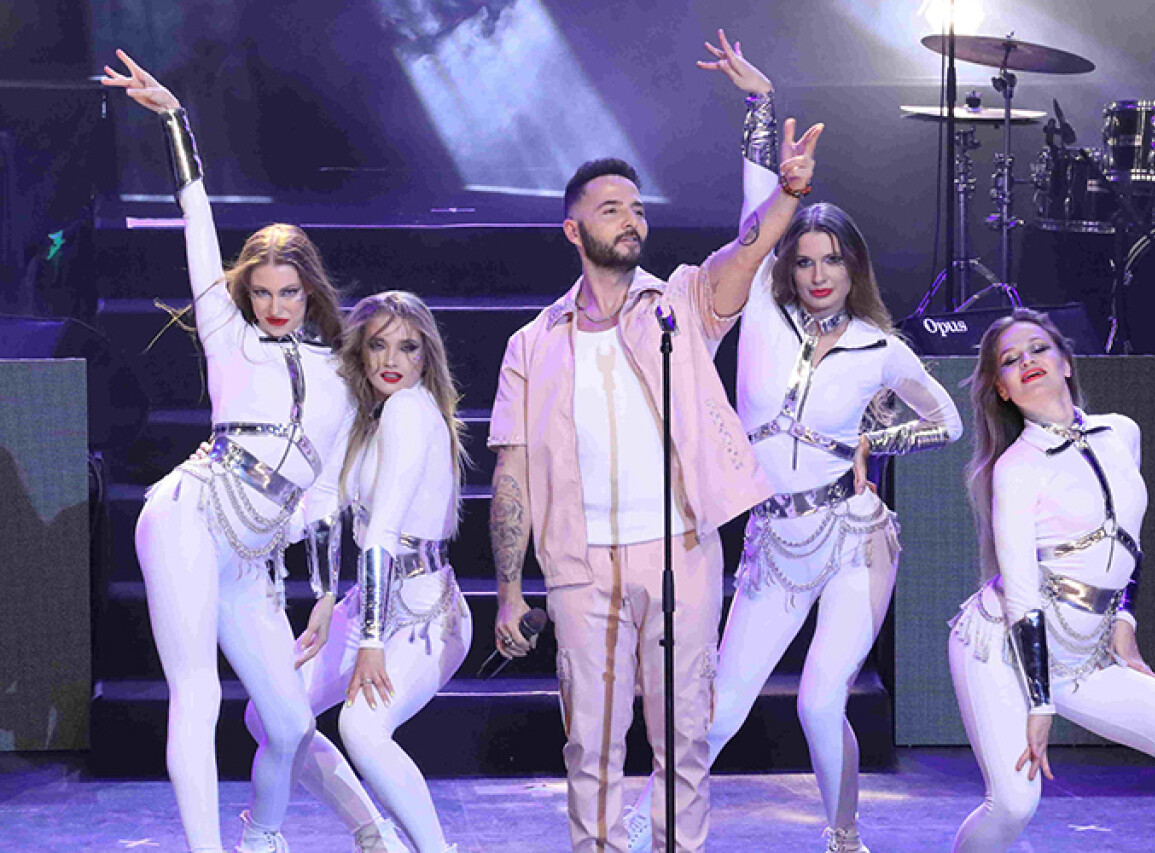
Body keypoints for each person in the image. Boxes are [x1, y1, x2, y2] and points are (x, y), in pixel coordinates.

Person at [626, 33, 963, 853]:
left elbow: (949, 420)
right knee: (722, 707)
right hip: (774, 543)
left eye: (832, 261)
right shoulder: (762, 314)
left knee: (819, 701)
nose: (817, 273)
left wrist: (876, 439)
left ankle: (844, 834)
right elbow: (756, 218)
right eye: (805, 260)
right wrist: (759, 104)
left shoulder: (880, 347)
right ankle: (640, 829)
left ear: (852, 268)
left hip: (854, 538)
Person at [485, 39, 825, 851]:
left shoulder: (679, 304)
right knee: (589, 745)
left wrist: (785, 186)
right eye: (612, 209)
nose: (632, 219)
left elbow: (748, 250)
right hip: (579, 565)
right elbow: (513, 472)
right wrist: (508, 589)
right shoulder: (533, 343)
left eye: (637, 208)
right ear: (573, 229)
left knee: (684, 740)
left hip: (679, 553)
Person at [105, 51, 354, 853]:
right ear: (246, 291)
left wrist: (325, 592)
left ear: (310, 291)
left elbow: (328, 495)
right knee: (198, 692)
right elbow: (197, 221)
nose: (276, 305)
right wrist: (177, 122)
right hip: (190, 514)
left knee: (290, 721)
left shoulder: (340, 373)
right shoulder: (227, 334)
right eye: (263, 292)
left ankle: (261, 833)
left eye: (290, 292)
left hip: (255, 555)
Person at [947, 308, 1155, 851]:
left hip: (1085, 652)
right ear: (1002, 389)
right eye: (1010, 360)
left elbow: (1130, 541)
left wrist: (1125, 620)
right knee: (1014, 804)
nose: (1027, 361)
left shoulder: (1122, 432)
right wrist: (1040, 704)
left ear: (1066, 363)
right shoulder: (1016, 468)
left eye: (1038, 349)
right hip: (1002, 648)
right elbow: (1021, 590)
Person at [246, 291, 471, 853]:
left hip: (425, 613)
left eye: (408, 347)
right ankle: (375, 836)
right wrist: (325, 598)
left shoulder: (410, 411)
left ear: (426, 356)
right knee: (269, 714)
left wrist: (369, 642)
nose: (392, 360)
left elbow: (383, 535)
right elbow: (322, 506)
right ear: (360, 352)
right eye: (378, 345)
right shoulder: (363, 416)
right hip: (370, 601)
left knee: (362, 729)